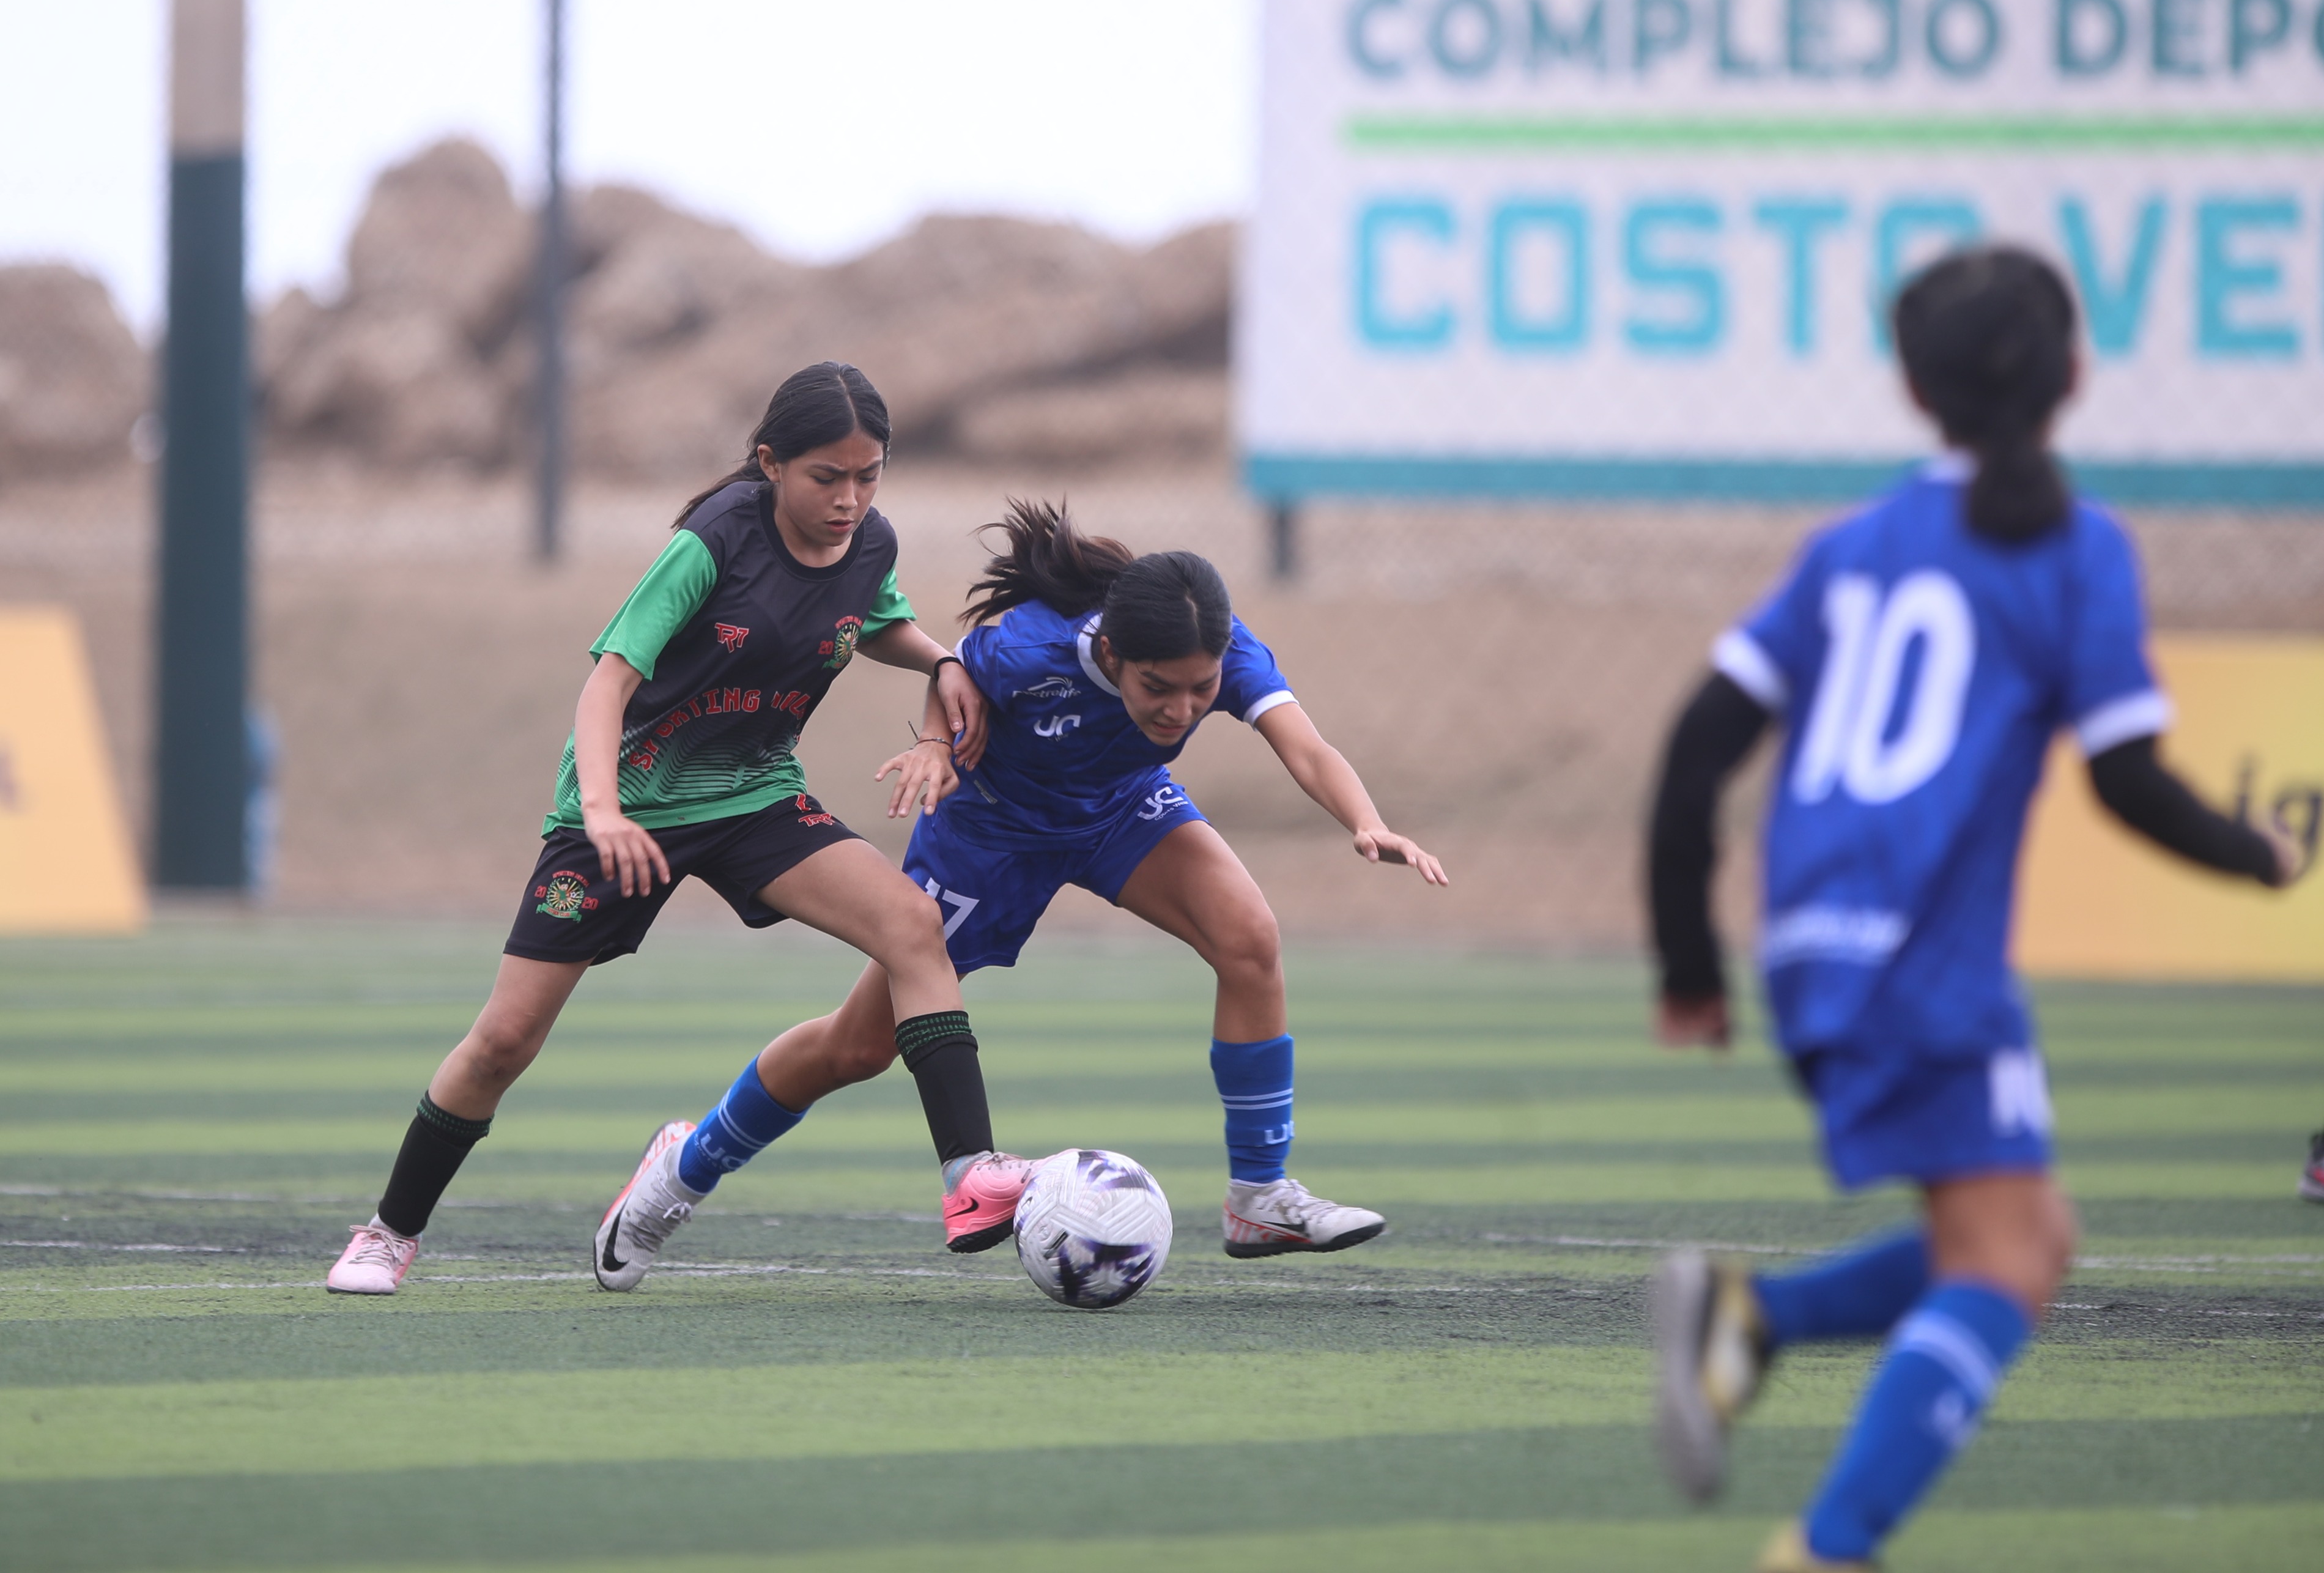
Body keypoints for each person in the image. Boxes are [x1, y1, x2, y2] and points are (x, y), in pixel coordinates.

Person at [1641, 245, 2305, 1572]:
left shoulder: (1848, 547)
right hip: (1923, 960)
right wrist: (2261, 858)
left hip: (1811, 945)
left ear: (1910, 386)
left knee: (2024, 1233)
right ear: (2074, 375)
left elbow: (1697, 747)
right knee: (2003, 1263)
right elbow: (2125, 780)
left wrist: (1688, 958)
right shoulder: (2075, 546)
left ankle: (1749, 1317)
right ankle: (1828, 1546)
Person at [593, 499, 1448, 1290]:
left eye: (1201, 689)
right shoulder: (1033, 650)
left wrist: (1365, 821)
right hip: (987, 834)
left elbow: (1305, 745)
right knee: (857, 1048)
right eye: (1161, 688)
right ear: (1112, 650)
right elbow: (951, 673)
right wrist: (934, 742)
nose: (1185, 708)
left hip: (1118, 810)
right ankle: (687, 1160)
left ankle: (1260, 1197)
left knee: (1250, 938)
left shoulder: (1224, 651)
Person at [327, 361, 1030, 1295]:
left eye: (870, 476)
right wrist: (605, 810)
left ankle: (969, 1176)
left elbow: (875, 622)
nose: (850, 499)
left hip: (754, 795)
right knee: (504, 1042)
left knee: (912, 926)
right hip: (630, 808)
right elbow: (608, 680)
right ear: (771, 463)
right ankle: (389, 1230)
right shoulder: (713, 541)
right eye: (828, 476)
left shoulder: (870, 543)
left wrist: (941, 660)